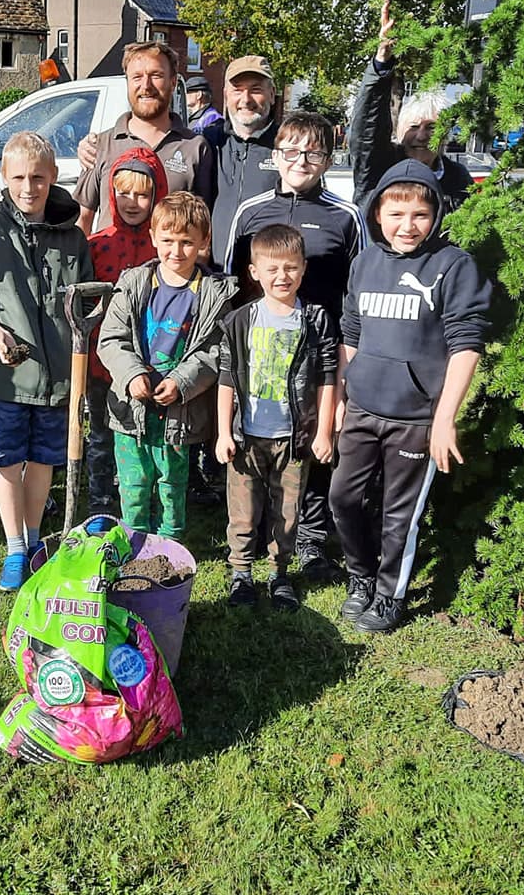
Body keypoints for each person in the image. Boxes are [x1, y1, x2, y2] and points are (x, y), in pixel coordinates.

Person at [330, 159, 491, 634]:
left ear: (436, 214)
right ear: (377, 214)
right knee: (343, 497)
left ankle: (388, 594)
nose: (408, 225)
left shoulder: (453, 266)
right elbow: (351, 330)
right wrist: (341, 392)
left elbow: (467, 343)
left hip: (416, 418)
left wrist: (444, 418)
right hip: (361, 406)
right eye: (396, 214)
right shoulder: (364, 262)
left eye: (420, 214)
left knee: (400, 514)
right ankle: (360, 577)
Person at [223, 111, 366, 578]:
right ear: (276, 154)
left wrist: (343, 380)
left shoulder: (344, 218)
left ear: (327, 159)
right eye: (291, 149)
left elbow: (357, 298)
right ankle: (251, 536)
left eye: (313, 151)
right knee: (261, 445)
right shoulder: (251, 212)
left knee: (314, 448)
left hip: (320, 356)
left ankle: (309, 540)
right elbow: (232, 291)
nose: (300, 160)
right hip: (263, 355)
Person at [0, 131, 93, 592]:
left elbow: (87, 299)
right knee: (7, 461)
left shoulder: (73, 239)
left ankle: (35, 538)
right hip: (8, 378)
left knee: (43, 460)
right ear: (4, 177)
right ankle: (15, 546)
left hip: (58, 378)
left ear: (53, 178)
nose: (29, 187)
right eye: (19, 178)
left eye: (38, 177)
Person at [97, 191, 235, 538]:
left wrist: (182, 382)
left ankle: (170, 541)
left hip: (179, 411)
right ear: (153, 237)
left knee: (172, 479)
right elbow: (111, 339)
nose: (176, 251)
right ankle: (135, 537)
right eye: (168, 240)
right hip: (131, 409)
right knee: (133, 478)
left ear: (204, 241)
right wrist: (130, 375)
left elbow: (215, 351)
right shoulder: (133, 284)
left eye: (187, 242)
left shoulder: (213, 295)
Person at [215, 224, 337, 613]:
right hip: (247, 436)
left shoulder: (315, 321)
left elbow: (327, 376)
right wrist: (223, 433)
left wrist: (323, 430)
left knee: (287, 512)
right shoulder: (240, 321)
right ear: (254, 272)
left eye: (290, 268)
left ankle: (279, 572)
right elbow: (226, 379)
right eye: (272, 269)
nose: (281, 277)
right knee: (244, 510)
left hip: (293, 438)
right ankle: (241, 572)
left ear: (302, 269)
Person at [85, 145, 169, 514]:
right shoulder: (96, 246)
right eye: (124, 192)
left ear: (156, 195)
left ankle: (151, 502)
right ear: (111, 193)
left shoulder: (164, 246)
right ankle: (101, 505)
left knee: (149, 436)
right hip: (103, 365)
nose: (133, 201)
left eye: (143, 193)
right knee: (102, 436)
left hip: (154, 360)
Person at [74, 41, 214, 233]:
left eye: (156, 75)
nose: (146, 86)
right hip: (110, 262)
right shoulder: (101, 145)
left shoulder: (196, 148)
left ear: (173, 82)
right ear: (128, 82)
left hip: (170, 262)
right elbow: (83, 220)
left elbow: (205, 227)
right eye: (137, 77)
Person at [347, 0, 473, 212]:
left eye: (431, 127)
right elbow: (367, 129)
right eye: (414, 127)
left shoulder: (457, 177)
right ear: (400, 130)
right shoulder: (379, 166)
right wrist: (382, 64)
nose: (422, 136)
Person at [203, 56, 282, 269]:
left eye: (256, 89)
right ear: (226, 95)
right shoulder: (207, 142)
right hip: (211, 279)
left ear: (272, 94)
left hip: (267, 282)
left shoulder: (287, 149)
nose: (246, 99)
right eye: (237, 90)